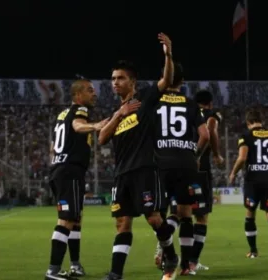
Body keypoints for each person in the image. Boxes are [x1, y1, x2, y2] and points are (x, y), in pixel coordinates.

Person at [98, 33, 179, 280]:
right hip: (121, 175)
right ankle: (116, 273)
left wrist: (168, 55)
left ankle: (171, 255)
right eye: (113, 79)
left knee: (154, 218)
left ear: (132, 81)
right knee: (122, 224)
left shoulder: (145, 97)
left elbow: (167, 80)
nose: (115, 83)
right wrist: (119, 114)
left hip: (145, 169)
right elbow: (101, 138)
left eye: (120, 78)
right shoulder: (118, 112)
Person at [44, 79, 109, 280]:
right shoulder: (80, 110)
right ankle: (53, 271)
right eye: (90, 90)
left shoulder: (61, 115)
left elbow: (53, 146)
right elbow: (78, 126)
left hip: (60, 169)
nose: (94, 94)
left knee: (75, 219)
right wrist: (96, 125)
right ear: (78, 95)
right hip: (69, 171)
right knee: (66, 220)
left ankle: (75, 265)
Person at [153, 62, 210, 276]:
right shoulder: (191, 104)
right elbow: (204, 135)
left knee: (160, 213)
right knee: (186, 214)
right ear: (183, 82)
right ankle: (186, 265)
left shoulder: (155, 102)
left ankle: (167, 253)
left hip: (160, 162)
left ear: (164, 77)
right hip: (186, 162)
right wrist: (194, 154)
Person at [229, 110, 268, 260]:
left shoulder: (246, 136)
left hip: (253, 179)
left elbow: (242, 158)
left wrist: (233, 173)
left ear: (248, 123)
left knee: (250, 214)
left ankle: (253, 251)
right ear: (261, 120)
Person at [189, 90, 223, 272]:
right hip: (200, 169)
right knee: (201, 217)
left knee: (179, 212)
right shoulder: (211, 115)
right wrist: (216, 154)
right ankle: (192, 262)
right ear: (210, 103)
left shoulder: (187, 112)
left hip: (181, 166)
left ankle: (164, 250)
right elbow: (210, 131)